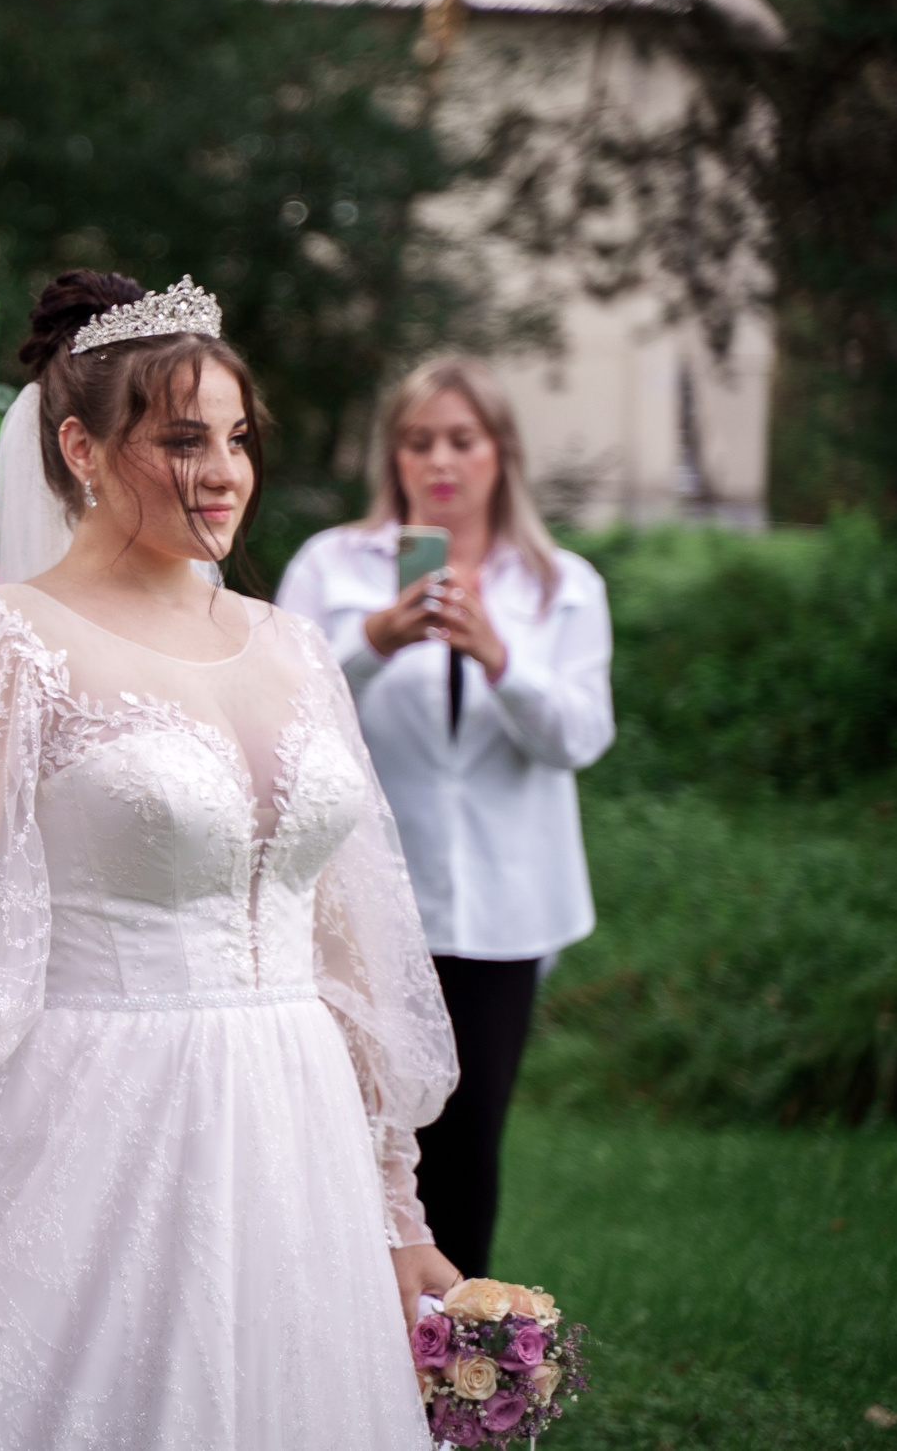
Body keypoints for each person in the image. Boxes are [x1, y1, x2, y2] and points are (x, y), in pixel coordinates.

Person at [0, 272, 460, 1450]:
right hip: (89, 1112)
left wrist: (395, 1207)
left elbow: (348, 946)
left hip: (293, 1122)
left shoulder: (294, 647)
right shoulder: (4, 641)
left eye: (237, 438)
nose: (222, 471)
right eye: (182, 438)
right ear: (81, 447)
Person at [274, 357, 614, 1280]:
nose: (440, 460)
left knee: (468, 1147)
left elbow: (580, 736)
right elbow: (273, 711)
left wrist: (501, 658)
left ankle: (456, 1370)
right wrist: (374, 641)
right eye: (419, 440)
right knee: (347, 1128)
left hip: (507, 910)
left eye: (462, 439)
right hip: (363, 907)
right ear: (394, 454)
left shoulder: (560, 583)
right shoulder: (333, 565)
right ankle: (338, 1342)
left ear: (501, 453)